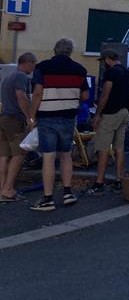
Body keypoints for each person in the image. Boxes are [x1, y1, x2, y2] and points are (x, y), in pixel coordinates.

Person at [30, 38, 88, 211]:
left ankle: (47, 199)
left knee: (48, 156)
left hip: (47, 118)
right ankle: (68, 193)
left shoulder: (42, 67)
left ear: (54, 50)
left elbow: (38, 93)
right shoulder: (80, 69)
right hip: (69, 117)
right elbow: (85, 96)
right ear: (70, 51)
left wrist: (31, 117)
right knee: (66, 154)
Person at [88, 49, 129, 195]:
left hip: (110, 114)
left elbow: (105, 95)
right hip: (124, 113)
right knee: (119, 148)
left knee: (103, 148)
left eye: (104, 61)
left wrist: (97, 115)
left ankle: (99, 183)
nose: (103, 64)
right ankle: (119, 180)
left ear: (109, 59)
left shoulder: (110, 73)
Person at [0, 52, 36, 202]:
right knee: (19, 154)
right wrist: (29, 117)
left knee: (3, 156)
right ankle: (8, 190)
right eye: (33, 65)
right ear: (27, 63)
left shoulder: (7, 77)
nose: (33, 68)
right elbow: (21, 96)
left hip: (4, 119)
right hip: (15, 120)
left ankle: (2, 189)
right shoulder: (21, 76)